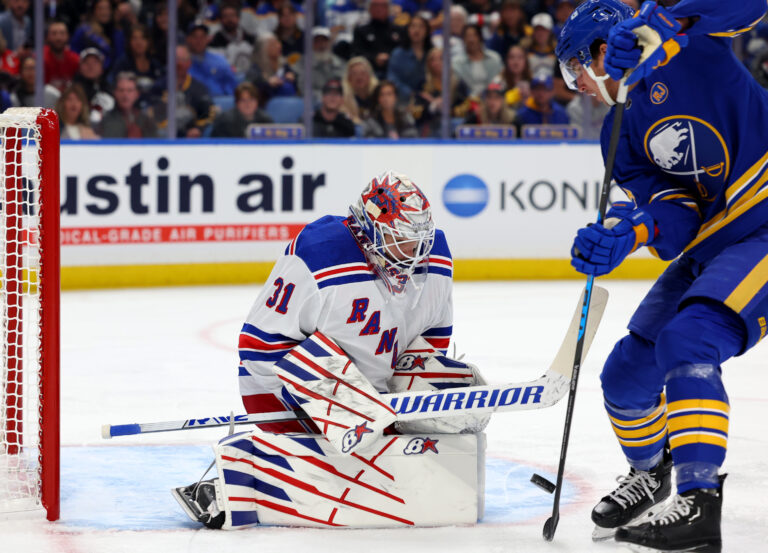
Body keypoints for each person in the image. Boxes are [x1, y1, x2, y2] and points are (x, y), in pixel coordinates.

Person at [557, 1, 768, 551]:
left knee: (689, 339)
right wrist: (631, 234)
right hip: (710, 246)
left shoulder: (693, 43)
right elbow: (675, 221)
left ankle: (699, 503)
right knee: (625, 376)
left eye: (574, 68)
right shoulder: (618, 134)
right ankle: (650, 473)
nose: (575, 84)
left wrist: (669, 22)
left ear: (601, 53)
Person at [172, 172, 488, 530]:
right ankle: (256, 468)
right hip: (298, 389)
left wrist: (410, 409)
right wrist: (293, 426)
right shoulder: (320, 253)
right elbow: (260, 348)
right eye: (401, 240)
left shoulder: (436, 256)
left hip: (376, 396)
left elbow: (431, 343)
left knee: (452, 392)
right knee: (352, 441)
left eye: (419, 240)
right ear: (370, 229)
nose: (414, 254)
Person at [151, 44, 214, 138]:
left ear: (189, 63)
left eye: (183, 60)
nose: (179, 64)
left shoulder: (199, 89)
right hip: (163, 139)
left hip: (190, 140)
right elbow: (152, 115)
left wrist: (198, 129)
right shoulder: (158, 87)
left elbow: (208, 114)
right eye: (176, 59)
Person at [412, 47, 470, 137]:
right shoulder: (422, 84)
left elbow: (466, 107)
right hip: (429, 124)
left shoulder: (458, 84)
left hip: (453, 124)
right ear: (428, 63)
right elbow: (415, 111)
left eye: (441, 59)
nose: (437, 62)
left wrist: (447, 110)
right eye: (433, 60)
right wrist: (432, 107)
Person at [109, 24, 163, 108]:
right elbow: (114, 87)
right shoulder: (122, 64)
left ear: (148, 42)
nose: (139, 42)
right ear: (129, 42)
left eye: (143, 38)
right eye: (135, 38)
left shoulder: (155, 65)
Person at [386, 15, 432, 104]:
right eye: (413, 26)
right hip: (404, 101)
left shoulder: (432, 54)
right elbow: (392, 79)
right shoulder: (398, 54)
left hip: (430, 99)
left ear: (427, 31)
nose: (416, 30)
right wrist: (411, 94)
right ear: (408, 30)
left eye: (421, 26)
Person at [186, 21, 239, 97]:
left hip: (220, 102)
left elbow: (232, 85)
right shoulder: (182, 61)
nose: (199, 41)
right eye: (195, 37)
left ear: (207, 39)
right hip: (193, 103)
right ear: (188, 39)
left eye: (202, 37)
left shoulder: (220, 60)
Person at [352, 0, 402, 80]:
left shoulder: (399, 30)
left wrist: (390, 58)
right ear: (369, 8)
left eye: (383, 6)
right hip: (369, 73)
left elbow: (403, 52)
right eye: (375, 5)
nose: (379, 9)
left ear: (389, 9)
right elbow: (357, 53)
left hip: (396, 72)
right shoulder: (361, 31)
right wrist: (374, 58)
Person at [294, 26, 345, 104]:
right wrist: (324, 98)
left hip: (338, 101)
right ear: (312, 44)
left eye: (324, 41)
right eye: (317, 41)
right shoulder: (304, 62)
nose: (321, 45)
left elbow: (345, 85)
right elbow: (303, 87)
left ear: (329, 43)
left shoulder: (339, 62)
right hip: (313, 103)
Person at [70, 0, 126, 71]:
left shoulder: (118, 32)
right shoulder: (84, 31)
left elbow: (120, 57)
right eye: (100, 9)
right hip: (88, 72)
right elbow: (74, 53)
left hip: (113, 74)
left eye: (107, 8)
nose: (104, 12)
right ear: (93, 11)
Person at [100, 72, 157, 138]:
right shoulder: (105, 120)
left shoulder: (146, 121)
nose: (125, 95)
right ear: (115, 93)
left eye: (130, 90)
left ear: (137, 93)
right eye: (121, 90)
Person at [452, 24, 503, 97]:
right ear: (463, 40)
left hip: (492, 98)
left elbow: (501, 79)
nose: (471, 40)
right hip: (466, 101)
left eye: (474, 35)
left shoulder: (494, 58)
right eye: (467, 36)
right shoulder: (456, 62)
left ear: (480, 38)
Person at [247, 32, 298, 103]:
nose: (279, 46)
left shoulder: (284, 65)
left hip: (287, 103)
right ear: (263, 49)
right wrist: (267, 84)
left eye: (278, 42)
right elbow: (251, 86)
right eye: (273, 44)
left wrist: (292, 77)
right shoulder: (256, 68)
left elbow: (295, 79)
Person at [209, 1, 255, 75]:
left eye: (232, 15)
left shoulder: (250, 38)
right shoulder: (215, 42)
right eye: (225, 16)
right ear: (220, 20)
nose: (229, 19)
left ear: (238, 18)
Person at [73, 47, 115, 126]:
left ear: (102, 67)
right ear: (80, 67)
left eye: (95, 62)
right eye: (86, 63)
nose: (91, 66)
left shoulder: (110, 88)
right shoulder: (74, 91)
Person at [341, 55, 379, 123]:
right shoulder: (343, 97)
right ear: (349, 78)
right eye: (354, 74)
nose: (359, 77)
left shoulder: (378, 93)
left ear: (369, 76)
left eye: (363, 73)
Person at [43, 21, 78, 91]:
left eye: (62, 33)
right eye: (54, 33)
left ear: (68, 36)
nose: (58, 38)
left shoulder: (75, 60)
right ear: (47, 37)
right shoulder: (40, 58)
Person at [520, 12, 556, 79]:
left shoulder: (558, 51)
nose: (540, 33)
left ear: (550, 31)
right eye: (537, 29)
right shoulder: (524, 50)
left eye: (543, 29)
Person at [498, 44, 531, 110]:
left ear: (526, 61)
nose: (516, 61)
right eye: (512, 57)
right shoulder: (498, 82)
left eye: (520, 57)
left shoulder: (533, 82)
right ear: (506, 61)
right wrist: (505, 101)